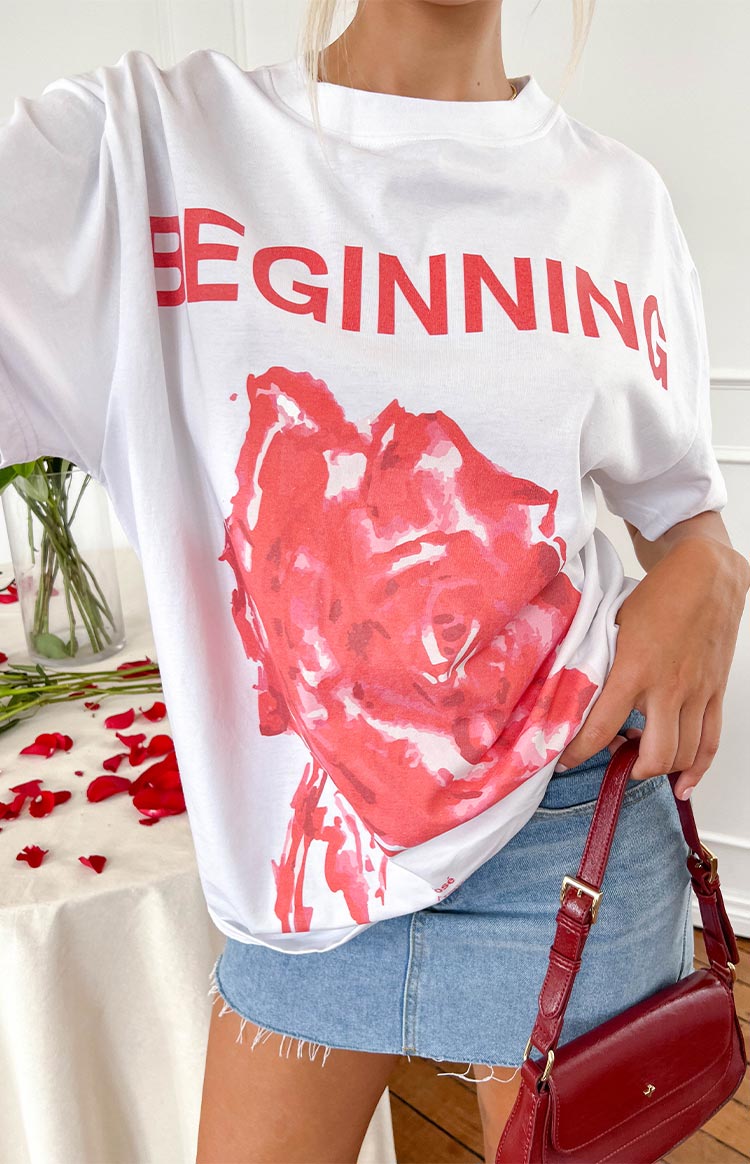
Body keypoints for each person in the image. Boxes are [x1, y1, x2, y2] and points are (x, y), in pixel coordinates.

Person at [1, 1, 748, 1162]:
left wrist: (711, 562)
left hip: (576, 841)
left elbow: (679, 509)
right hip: (305, 861)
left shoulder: (619, 204)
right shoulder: (135, 152)